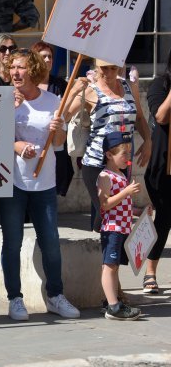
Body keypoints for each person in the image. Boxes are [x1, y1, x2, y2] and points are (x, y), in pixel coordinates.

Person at [0, 48, 80, 321]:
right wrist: (17, 144)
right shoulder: (3, 100)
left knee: (51, 242)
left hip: (43, 183)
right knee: (12, 243)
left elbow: (57, 146)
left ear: (32, 71)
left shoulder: (53, 100)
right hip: (11, 182)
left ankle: (55, 295)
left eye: (20, 67)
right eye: (12, 68)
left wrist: (58, 130)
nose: (15, 73)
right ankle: (14, 298)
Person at [66, 58, 151, 233]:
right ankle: (108, 257)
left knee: (115, 214)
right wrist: (73, 92)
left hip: (122, 162)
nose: (110, 73)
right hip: (97, 162)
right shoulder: (91, 91)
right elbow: (63, 116)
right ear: (97, 67)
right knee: (106, 212)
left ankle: (107, 256)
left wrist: (148, 140)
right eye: (105, 68)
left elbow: (140, 118)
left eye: (114, 68)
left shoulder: (129, 86)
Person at [97, 131, 141, 320]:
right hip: (112, 229)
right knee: (109, 266)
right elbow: (105, 204)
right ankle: (113, 306)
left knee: (114, 267)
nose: (127, 158)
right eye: (124, 153)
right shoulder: (106, 176)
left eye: (129, 153)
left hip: (122, 228)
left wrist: (139, 212)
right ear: (109, 155)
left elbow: (122, 206)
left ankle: (112, 301)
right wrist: (126, 192)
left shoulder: (120, 175)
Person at [138, 50, 171, 295]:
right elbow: (161, 116)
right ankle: (150, 271)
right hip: (163, 167)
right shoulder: (160, 85)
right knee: (165, 218)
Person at [31, 40, 74, 197]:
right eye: (44, 57)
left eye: (50, 57)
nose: (48, 60)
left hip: (54, 146)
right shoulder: (27, 84)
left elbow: (66, 113)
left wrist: (74, 92)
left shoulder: (60, 84)